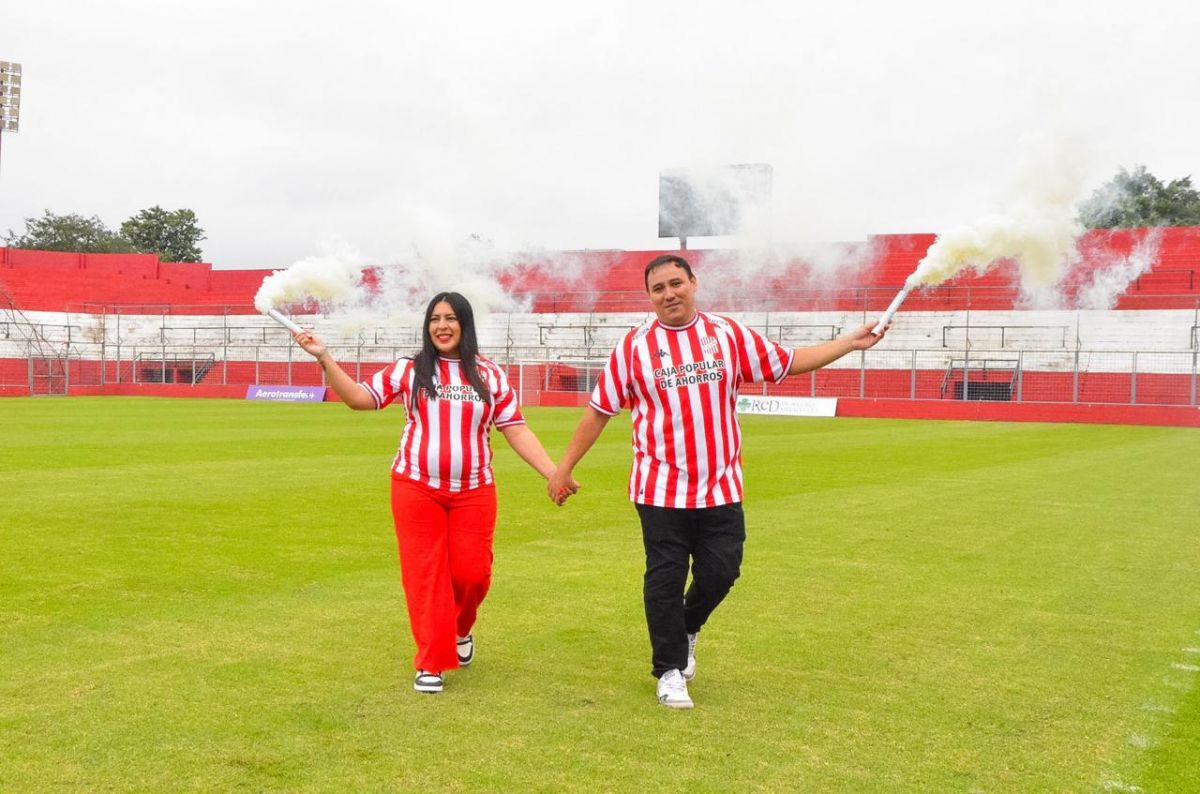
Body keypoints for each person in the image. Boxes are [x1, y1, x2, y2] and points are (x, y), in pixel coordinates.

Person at [547, 254, 887, 709]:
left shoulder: (726, 335)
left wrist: (848, 343)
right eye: (658, 289)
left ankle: (687, 627)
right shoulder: (632, 348)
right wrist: (563, 468)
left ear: (693, 283)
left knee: (722, 572)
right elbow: (599, 411)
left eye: (675, 283)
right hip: (660, 488)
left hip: (720, 487)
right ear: (649, 297)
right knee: (664, 578)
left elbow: (790, 362)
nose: (668, 294)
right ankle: (668, 671)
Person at [293, 291, 575, 694]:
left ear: (465, 324)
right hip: (415, 487)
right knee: (426, 576)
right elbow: (359, 399)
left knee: (472, 575)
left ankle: (460, 632)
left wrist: (553, 472)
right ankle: (431, 661)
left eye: (451, 318)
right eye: (434, 319)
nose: (442, 325)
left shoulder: (489, 374)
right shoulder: (410, 369)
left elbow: (515, 428)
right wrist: (324, 357)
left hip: (475, 490)